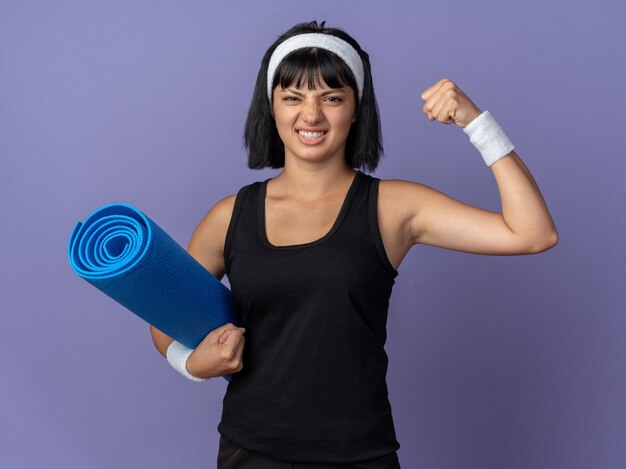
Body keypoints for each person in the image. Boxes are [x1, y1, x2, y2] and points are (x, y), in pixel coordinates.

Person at [149, 20, 558, 469]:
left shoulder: (393, 207)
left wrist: (476, 122)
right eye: (293, 97)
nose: (311, 115)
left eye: (331, 97)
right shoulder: (230, 216)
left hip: (359, 454)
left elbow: (533, 233)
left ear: (356, 108)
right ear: (272, 107)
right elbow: (163, 318)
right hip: (250, 452)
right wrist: (193, 364)